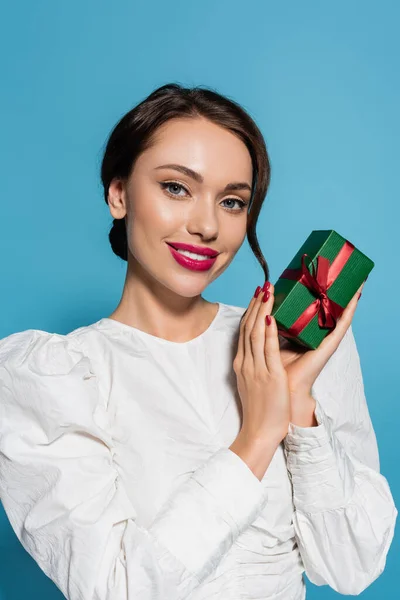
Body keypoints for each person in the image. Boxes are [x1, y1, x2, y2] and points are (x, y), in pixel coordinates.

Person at [0, 83, 397, 600]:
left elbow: (355, 568)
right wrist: (255, 438)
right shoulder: (52, 378)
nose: (207, 225)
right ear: (118, 194)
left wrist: (300, 409)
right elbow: (115, 589)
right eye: (176, 188)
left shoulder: (297, 347)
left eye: (232, 201)